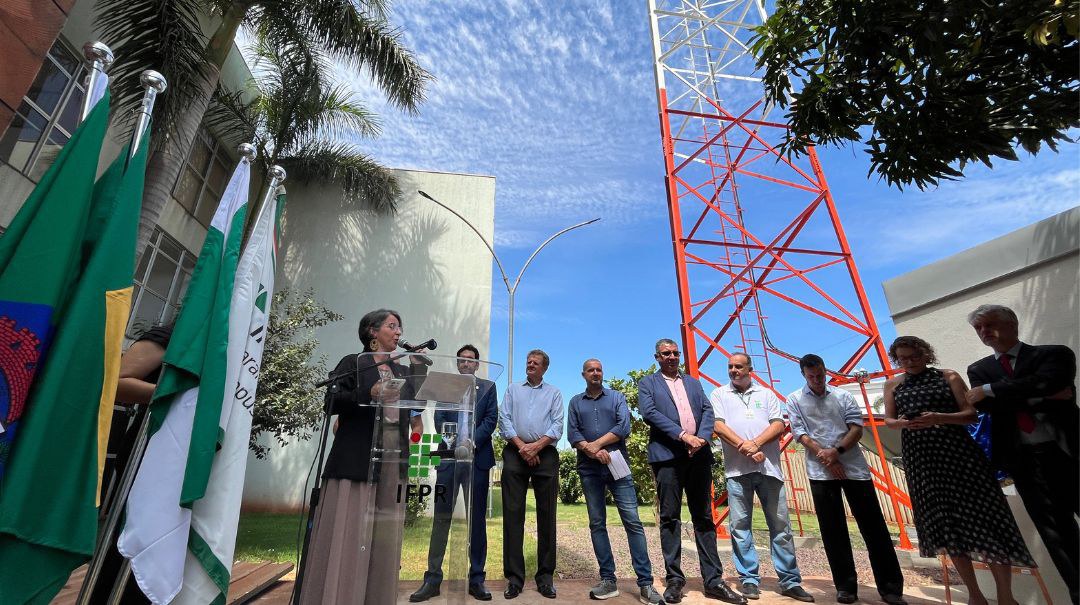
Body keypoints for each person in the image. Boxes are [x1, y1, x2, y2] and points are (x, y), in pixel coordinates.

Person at [884, 335, 1034, 605]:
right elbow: (889, 421)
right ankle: (976, 596)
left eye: (914, 356)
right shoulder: (893, 385)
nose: (909, 362)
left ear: (926, 354)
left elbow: (970, 414)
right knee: (948, 528)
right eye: (903, 358)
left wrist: (938, 417)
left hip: (960, 457)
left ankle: (1005, 597)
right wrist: (904, 423)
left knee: (989, 523)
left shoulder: (948, 376)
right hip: (923, 461)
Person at [299, 309, 427, 604]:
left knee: (383, 538)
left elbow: (414, 403)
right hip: (356, 459)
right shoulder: (354, 362)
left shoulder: (402, 371)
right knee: (351, 533)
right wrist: (367, 392)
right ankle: (339, 595)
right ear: (372, 331)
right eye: (392, 326)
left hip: (392, 461)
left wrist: (418, 369)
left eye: (400, 327)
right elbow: (331, 401)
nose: (398, 332)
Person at [964, 304, 1079, 604]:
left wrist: (991, 390)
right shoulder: (979, 369)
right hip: (1026, 461)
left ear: (1012, 324)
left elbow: (1053, 381)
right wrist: (1040, 395)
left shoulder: (1054, 354)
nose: (984, 332)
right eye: (978, 328)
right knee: (1057, 535)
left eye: (989, 325)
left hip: (1068, 452)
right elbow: (987, 407)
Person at [786, 354, 905, 605]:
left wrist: (836, 453)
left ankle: (891, 588)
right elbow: (800, 433)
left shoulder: (843, 396)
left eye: (820, 374)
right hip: (820, 471)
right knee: (833, 531)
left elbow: (856, 427)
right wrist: (825, 456)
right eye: (811, 376)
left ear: (825, 370)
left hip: (853, 468)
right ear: (804, 375)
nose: (817, 380)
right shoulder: (795, 399)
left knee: (874, 528)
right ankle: (845, 587)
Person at [638, 338, 746, 605]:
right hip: (668, 458)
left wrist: (701, 438)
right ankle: (674, 580)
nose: (672, 357)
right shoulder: (648, 384)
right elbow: (649, 412)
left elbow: (708, 411)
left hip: (699, 456)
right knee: (670, 519)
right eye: (666, 353)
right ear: (657, 357)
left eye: (675, 353)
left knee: (704, 518)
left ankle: (713, 581)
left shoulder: (693, 383)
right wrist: (683, 436)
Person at [710, 353, 813, 603]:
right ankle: (749, 580)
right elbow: (718, 426)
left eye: (738, 366)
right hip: (737, 472)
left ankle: (789, 581)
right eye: (730, 367)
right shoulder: (719, 394)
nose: (733, 370)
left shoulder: (766, 394)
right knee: (740, 527)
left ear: (750, 369)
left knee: (780, 527)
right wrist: (745, 447)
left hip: (769, 470)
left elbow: (778, 425)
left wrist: (755, 444)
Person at [567, 358, 664, 604]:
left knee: (632, 522)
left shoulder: (617, 397)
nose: (596, 373)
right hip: (589, 469)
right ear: (583, 374)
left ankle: (645, 584)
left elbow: (624, 426)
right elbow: (573, 433)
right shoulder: (575, 402)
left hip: (618, 466)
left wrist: (596, 446)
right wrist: (590, 451)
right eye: (591, 370)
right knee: (597, 523)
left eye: (599, 369)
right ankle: (608, 580)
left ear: (603, 373)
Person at [410, 344, 499, 602]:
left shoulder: (489, 388)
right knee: (441, 519)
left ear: (477, 364)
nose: (466, 363)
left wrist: (471, 443)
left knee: (476, 522)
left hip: (477, 461)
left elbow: (490, 420)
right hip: (448, 460)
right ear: (458, 363)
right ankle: (432, 579)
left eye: (471, 360)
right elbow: (438, 419)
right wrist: (452, 443)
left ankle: (477, 579)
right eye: (462, 360)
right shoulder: (447, 385)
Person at [498, 349, 563, 599]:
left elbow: (557, 424)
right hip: (515, 452)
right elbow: (504, 420)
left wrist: (535, 447)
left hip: (544, 454)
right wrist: (523, 447)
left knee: (547, 517)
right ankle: (514, 579)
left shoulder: (554, 393)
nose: (530, 365)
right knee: (513, 516)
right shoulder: (513, 389)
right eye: (528, 362)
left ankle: (545, 578)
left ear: (545, 368)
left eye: (535, 362)